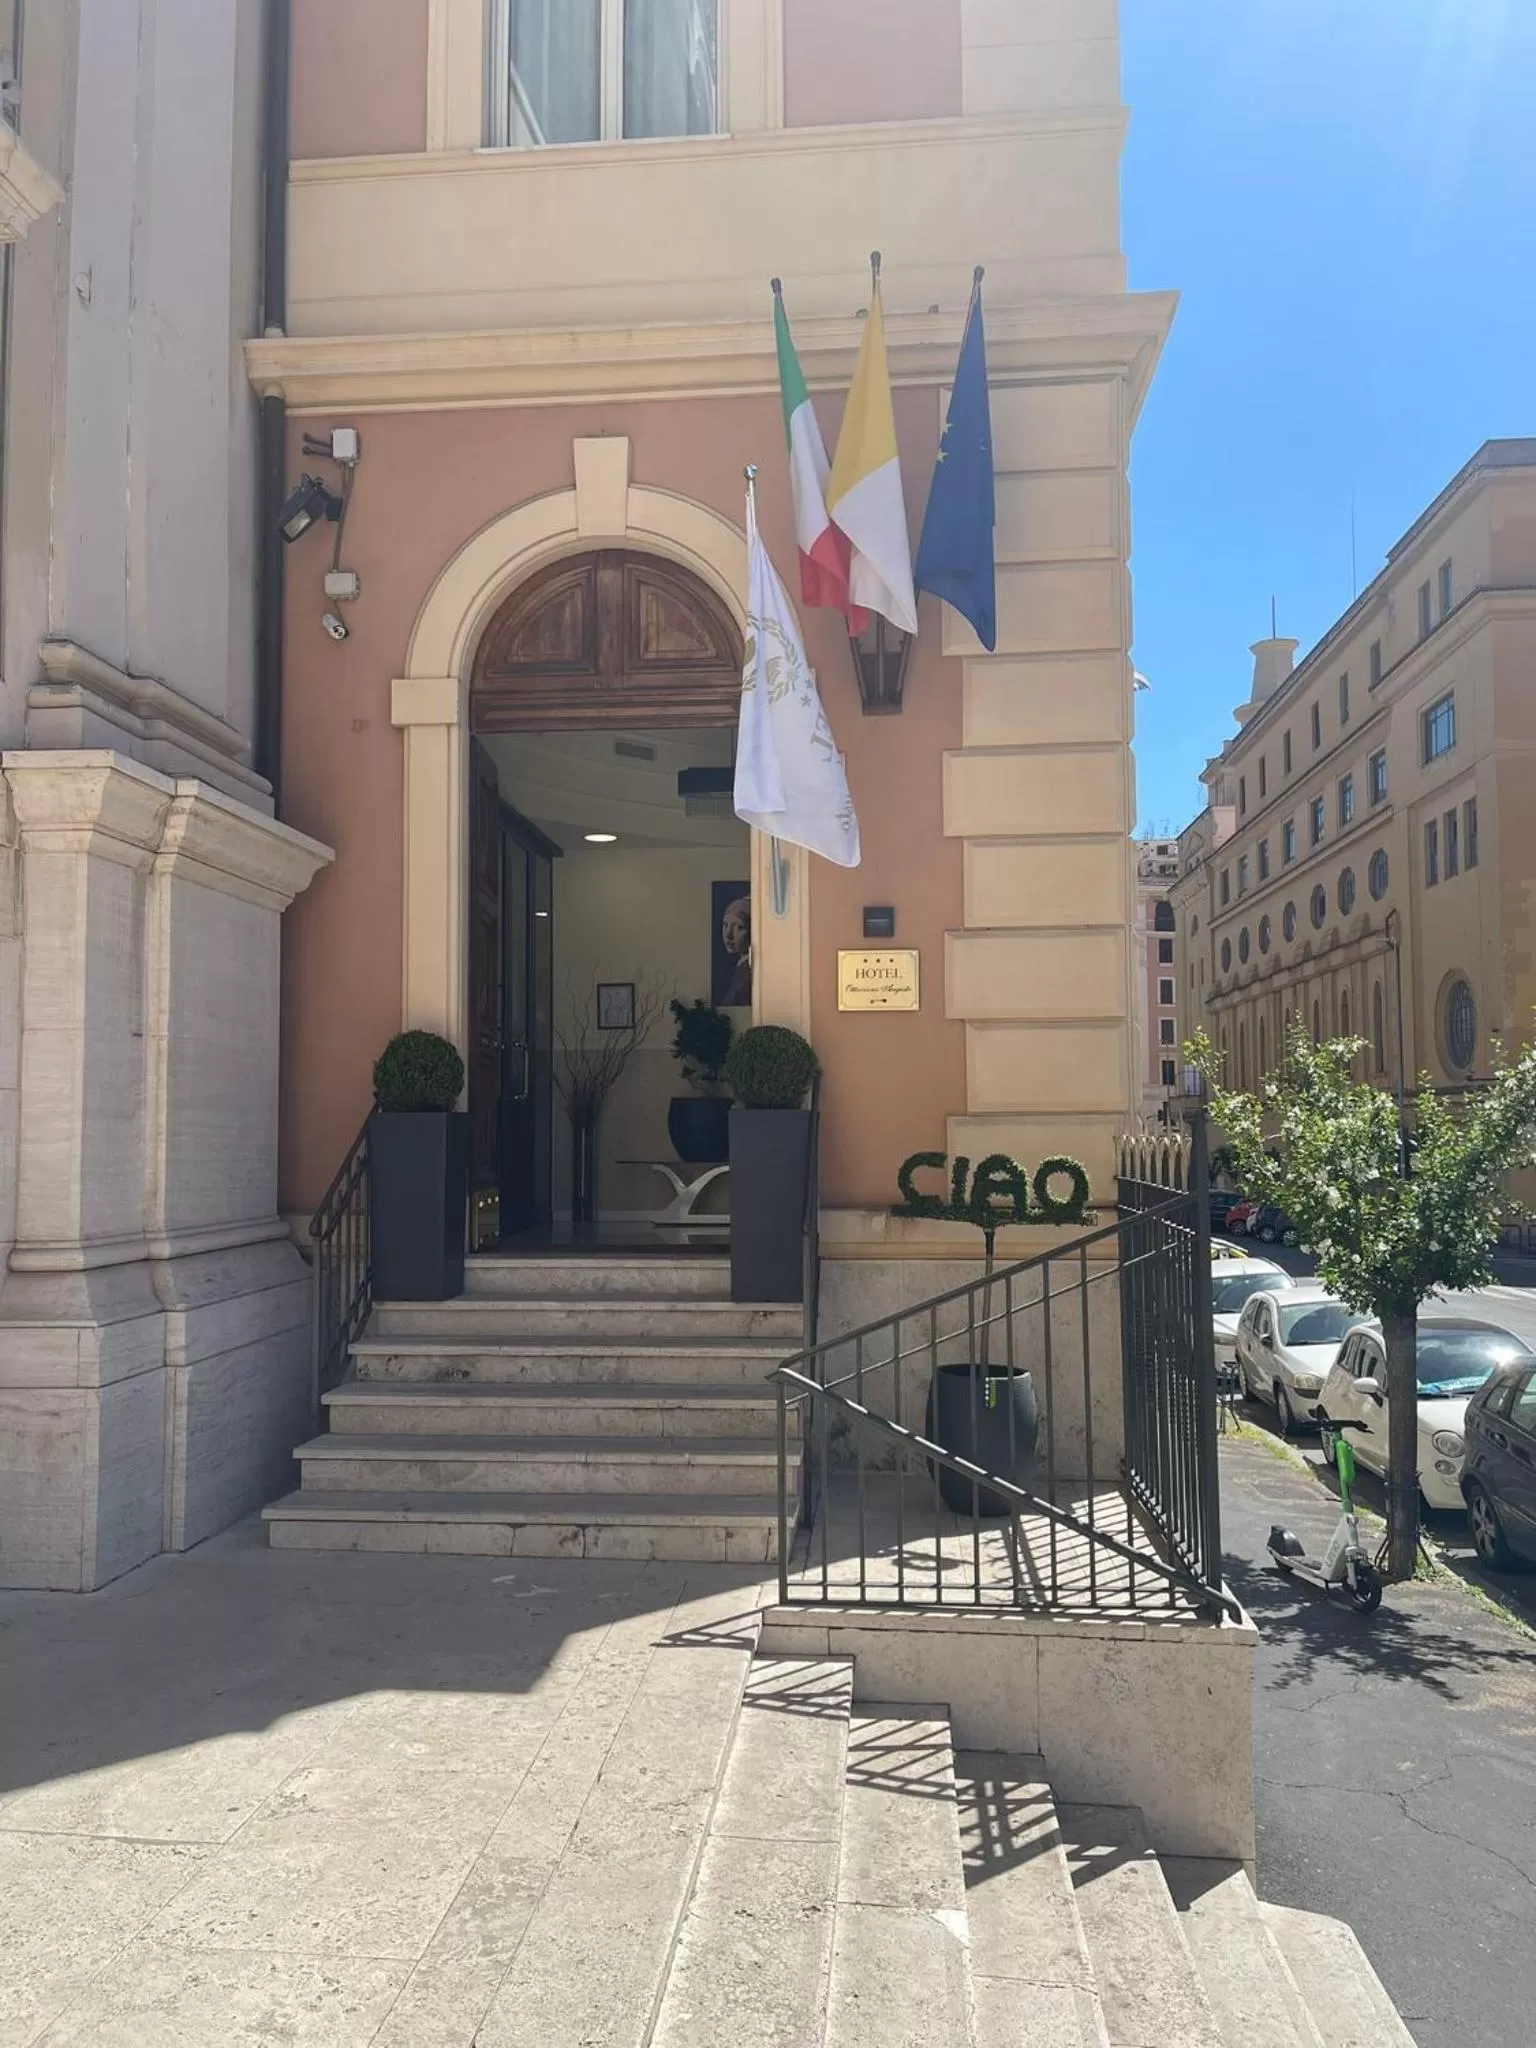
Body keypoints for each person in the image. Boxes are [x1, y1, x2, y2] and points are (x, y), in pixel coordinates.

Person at [719, 892, 752, 1007]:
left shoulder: (747, 972)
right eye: (725, 925)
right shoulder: (742, 968)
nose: (729, 935)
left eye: (739, 927)